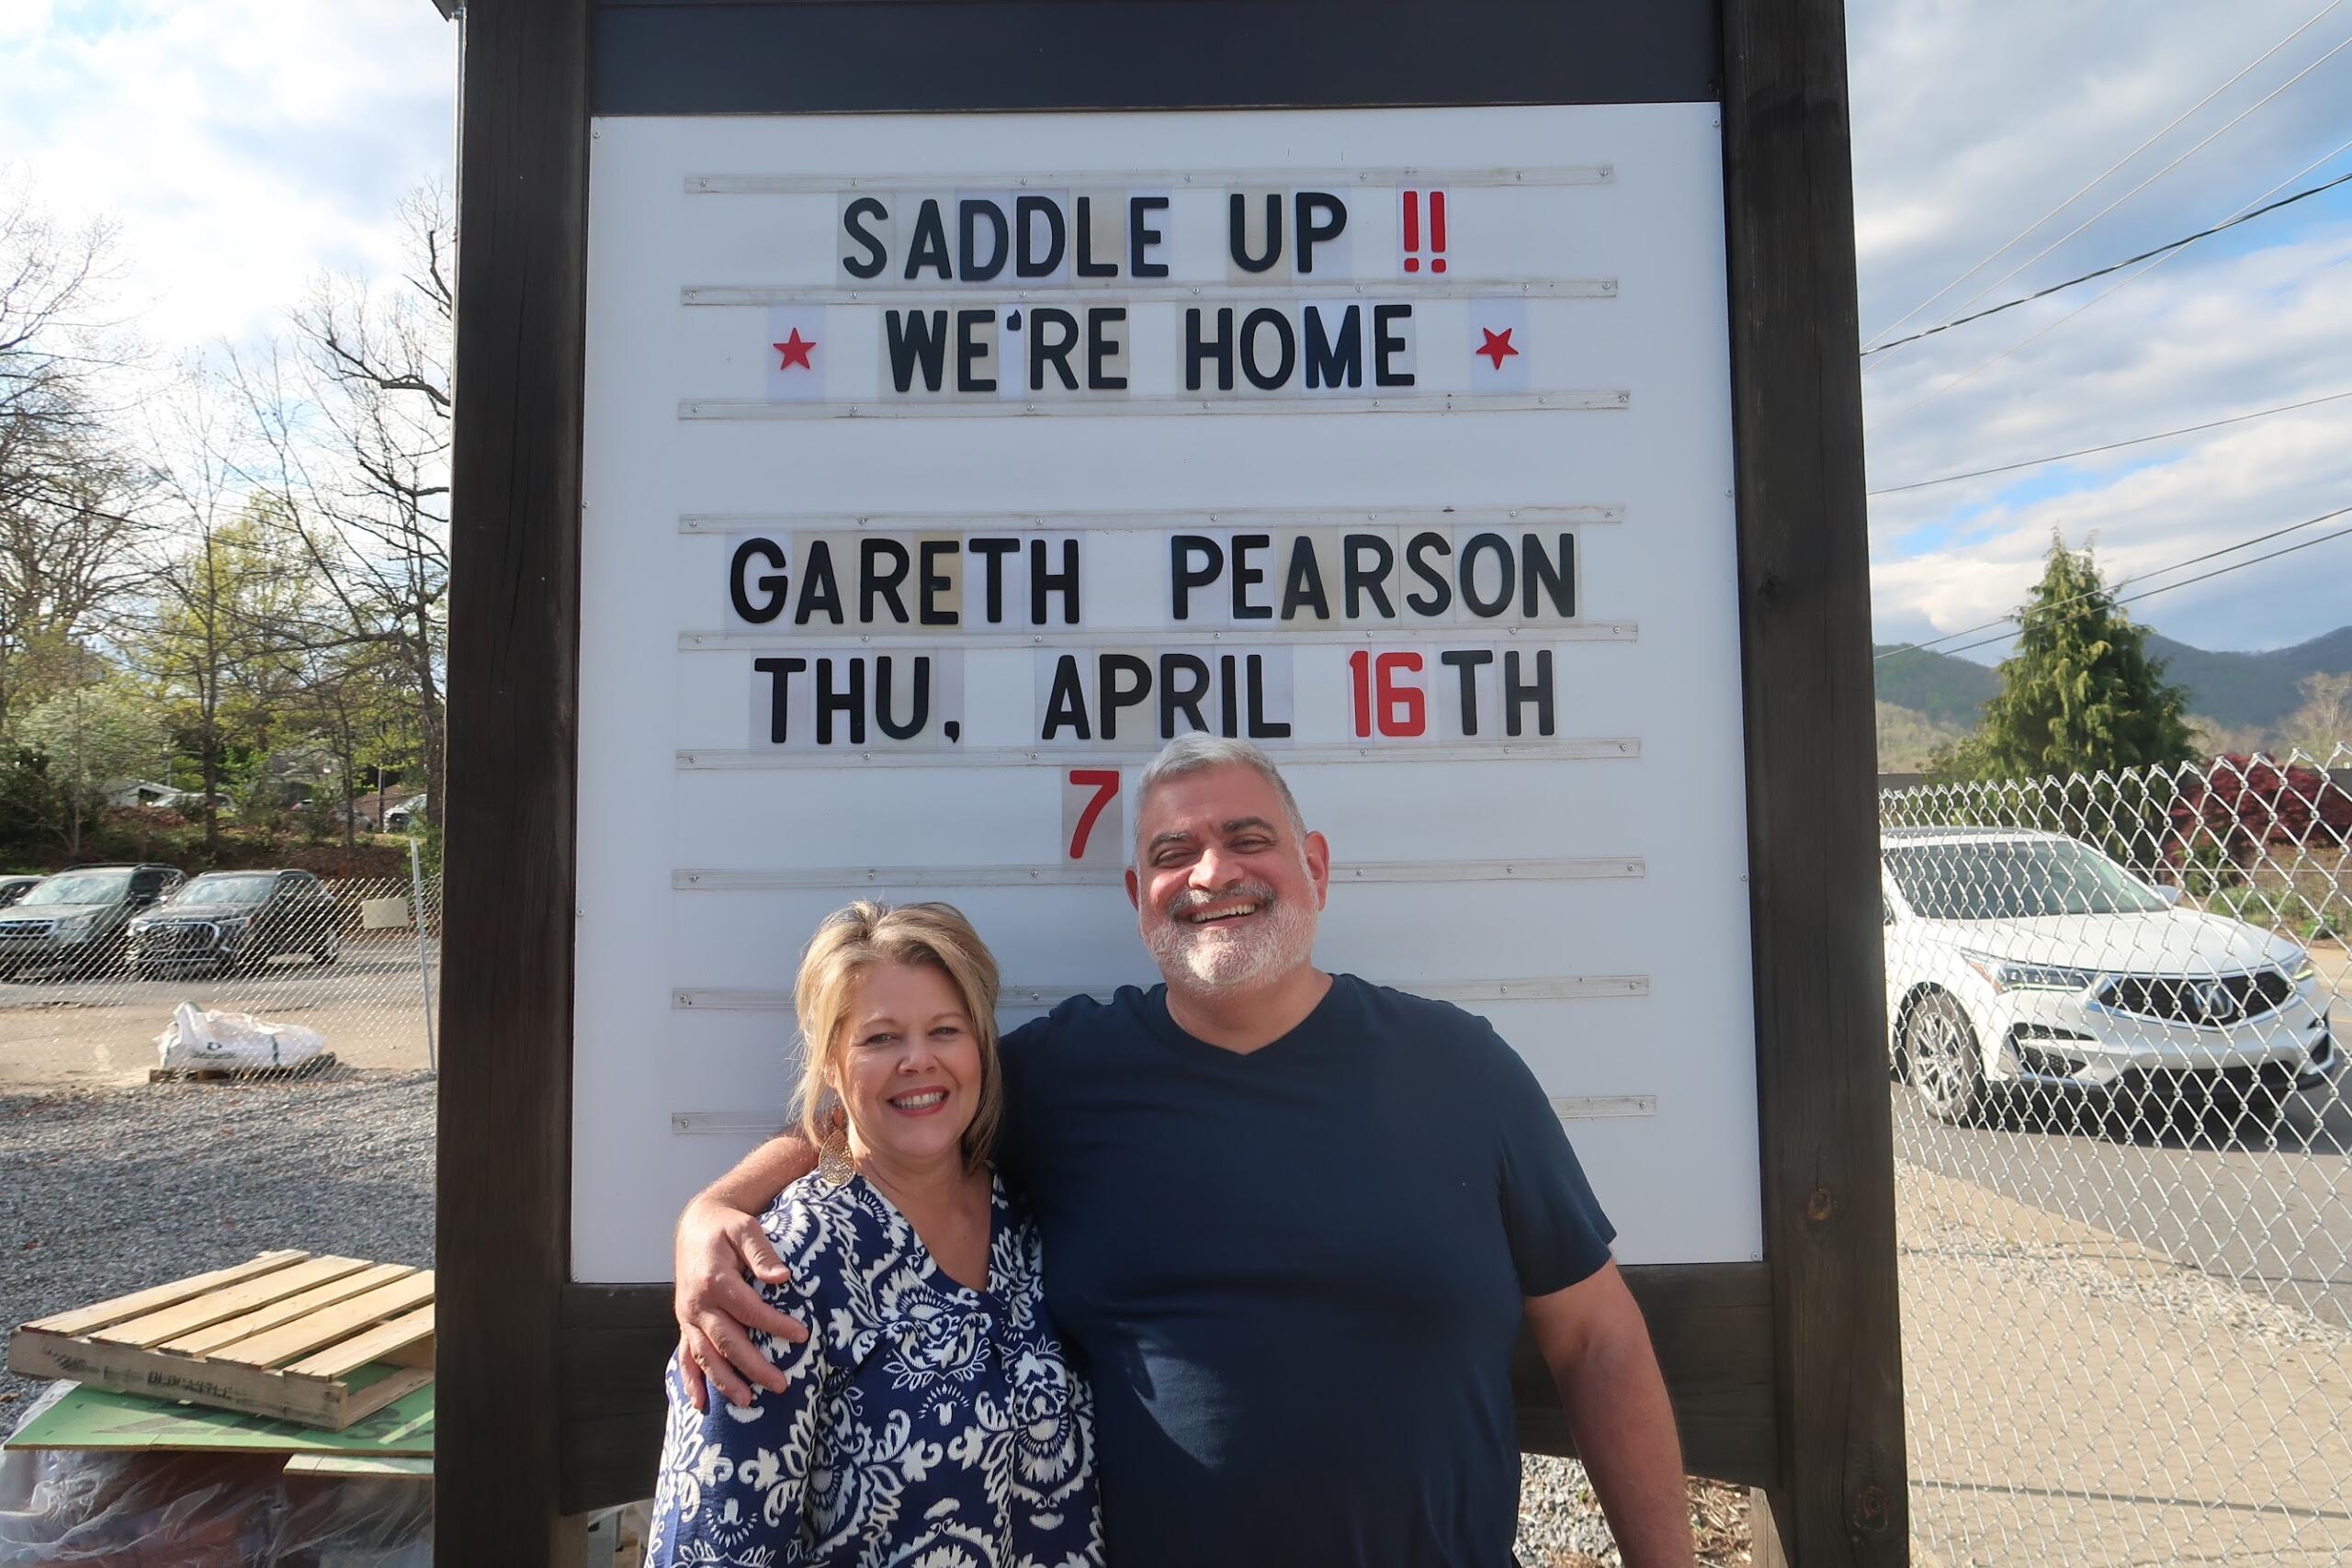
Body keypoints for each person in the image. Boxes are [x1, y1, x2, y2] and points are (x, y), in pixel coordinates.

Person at [675, 736, 1697, 1568]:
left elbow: (1596, 1339)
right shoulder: (1067, 1075)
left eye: (1247, 837)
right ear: (1137, 894)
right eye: (1173, 853)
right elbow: (896, 1107)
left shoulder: (1461, 1070)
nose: (1211, 872)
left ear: (1317, 868)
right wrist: (714, 1209)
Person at [647, 901, 1102, 1567]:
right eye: (880, 1038)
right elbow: (711, 1548)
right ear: (831, 1062)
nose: (918, 1060)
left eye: (945, 1030)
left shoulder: (1029, 1220)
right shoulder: (781, 1271)